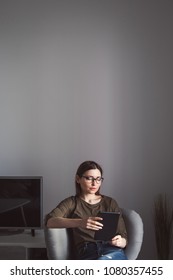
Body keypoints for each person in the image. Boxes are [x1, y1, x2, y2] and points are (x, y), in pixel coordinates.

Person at [46, 160, 128, 260]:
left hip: (111, 250)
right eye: (89, 178)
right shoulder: (71, 203)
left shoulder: (110, 202)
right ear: (78, 179)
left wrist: (120, 242)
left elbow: (124, 237)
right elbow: (50, 221)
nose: (94, 183)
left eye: (98, 179)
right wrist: (80, 222)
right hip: (87, 251)